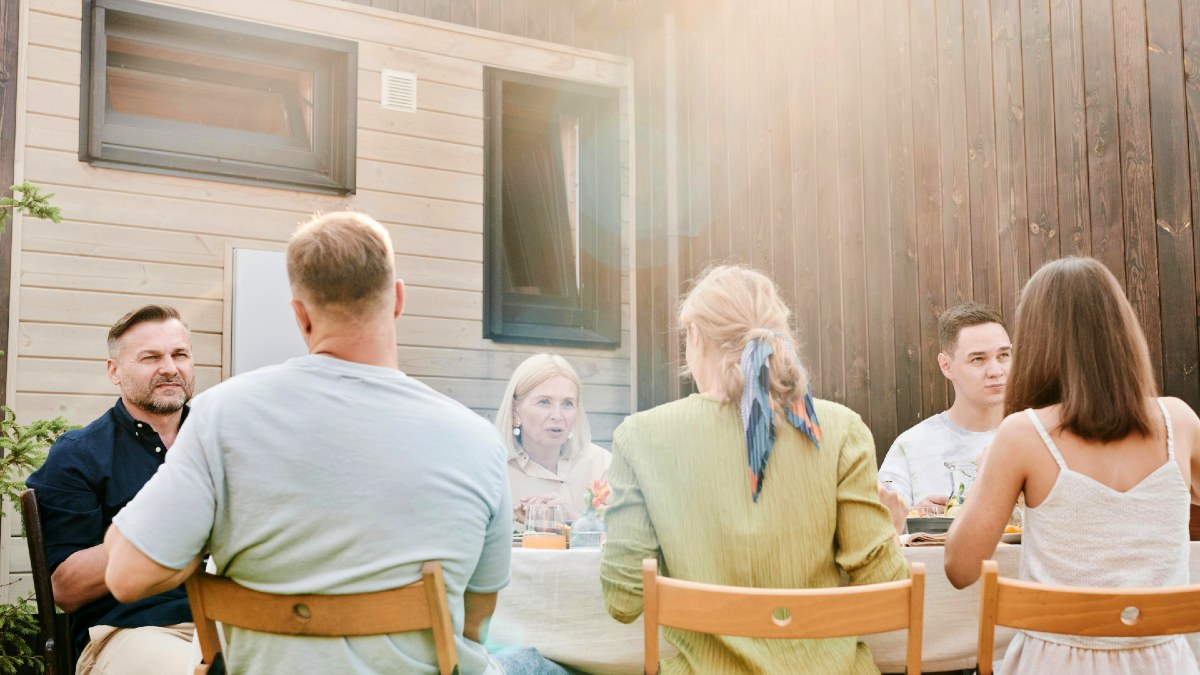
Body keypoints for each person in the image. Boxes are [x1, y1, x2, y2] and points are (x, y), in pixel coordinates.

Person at [103, 211, 513, 673]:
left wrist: (196, 541)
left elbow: (125, 576)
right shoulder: (478, 439)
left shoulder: (220, 415)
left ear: (299, 313)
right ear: (398, 299)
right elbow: (476, 624)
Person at [600, 264, 908, 674]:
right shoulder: (840, 429)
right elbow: (886, 593)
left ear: (694, 337)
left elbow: (623, 602)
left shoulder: (638, 437)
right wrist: (889, 527)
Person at [944, 257, 1200, 673]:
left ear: (1037, 341)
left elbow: (959, 569)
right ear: (1123, 332)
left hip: (1054, 661)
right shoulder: (1180, 422)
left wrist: (988, 468)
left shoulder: (1022, 435)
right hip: (1163, 662)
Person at [25, 304, 196, 674]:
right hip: (133, 632)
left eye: (179, 354)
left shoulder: (226, 440)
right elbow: (65, 589)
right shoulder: (80, 454)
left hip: (241, 618)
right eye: (151, 357)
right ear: (113, 371)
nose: (170, 367)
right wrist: (162, 525)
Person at [878, 303, 1011, 511]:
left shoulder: (1037, 437)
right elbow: (880, 525)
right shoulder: (912, 446)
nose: (996, 370)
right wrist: (914, 516)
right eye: (978, 359)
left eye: (1003, 355)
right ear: (946, 366)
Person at [495, 353, 611, 523]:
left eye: (567, 403)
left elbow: (627, 540)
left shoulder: (601, 465)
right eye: (544, 402)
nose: (558, 415)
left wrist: (575, 521)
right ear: (515, 410)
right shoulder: (495, 471)